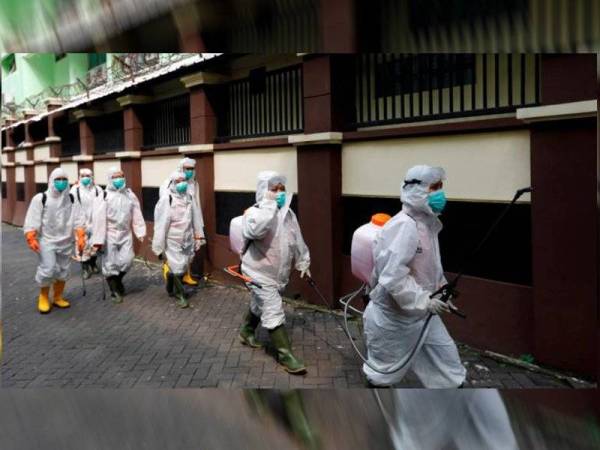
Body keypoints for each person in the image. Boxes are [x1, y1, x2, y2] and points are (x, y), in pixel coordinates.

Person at [363, 165, 466, 387]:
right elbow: (393, 277)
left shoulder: (428, 224)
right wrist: (424, 301)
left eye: (441, 187)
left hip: (422, 315)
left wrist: (442, 293)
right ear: (417, 191)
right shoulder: (404, 226)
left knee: (450, 370)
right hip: (394, 318)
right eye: (435, 188)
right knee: (382, 376)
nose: (440, 194)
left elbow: (430, 268)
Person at [238, 171, 311, 374]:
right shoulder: (254, 213)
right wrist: (269, 206)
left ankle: (246, 331)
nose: (279, 193)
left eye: (281, 189)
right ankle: (285, 355)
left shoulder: (288, 213)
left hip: (277, 275)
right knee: (273, 309)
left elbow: (296, 238)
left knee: (258, 304)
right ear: (263, 191)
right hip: (257, 272)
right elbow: (256, 231)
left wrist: (303, 260)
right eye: (274, 189)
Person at [23, 167, 86, 314]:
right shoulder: (41, 198)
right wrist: (31, 236)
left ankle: (58, 297)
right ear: (51, 180)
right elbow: (32, 218)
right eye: (58, 179)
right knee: (48, 268)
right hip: (47, 241)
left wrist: (81, 236)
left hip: (65, 240)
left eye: (64, 179)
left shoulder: (71, 198)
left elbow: (78, 218)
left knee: (63, 270)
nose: (61, 182)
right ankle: (44, 296)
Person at [91, 167, 146, 304]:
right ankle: (114, 289)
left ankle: (117, 280)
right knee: (110, 263)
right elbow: (98, 220)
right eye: (115, 177)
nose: (119, 179)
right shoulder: (103, 196)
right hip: (110, 233)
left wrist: (140, 231)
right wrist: (98, 240)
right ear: (110, 179)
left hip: (125, 233)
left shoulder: (129, 194)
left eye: (121, 176)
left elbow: (136, 213)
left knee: (128, 260)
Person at [152, 170, 204, 308]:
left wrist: (199, 236)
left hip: (187, 238)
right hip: (172, 239)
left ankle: (170, 282)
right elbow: (161, 225)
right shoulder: (167, 199)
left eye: (183, 181)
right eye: (178, 181)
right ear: (172, 183)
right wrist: (159, 246)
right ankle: (181, 294)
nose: (182, 183)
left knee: (184, 264)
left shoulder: (189, 197)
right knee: (178, 267)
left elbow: (196, 218)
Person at [159, 157, 205, 285]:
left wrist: (198, 224)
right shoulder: (170, 182)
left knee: (188, 252)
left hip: (189, 221)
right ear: (181, 168)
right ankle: (169, 269)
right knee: (174, 253)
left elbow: (197, 203)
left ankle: (186, 275)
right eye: (187, 169)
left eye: (192, 169)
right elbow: (164, 204)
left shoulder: (194, 183)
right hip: (175, 224)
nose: (190, 171)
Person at [70, 168, 103, 279]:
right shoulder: (75, 189)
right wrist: (77, 225)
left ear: (92, 176)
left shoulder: (98, 189)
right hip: (81, 223)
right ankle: (85, 268)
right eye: (83, 175)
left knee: (95, 246)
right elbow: (73, 207)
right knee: (82, 246)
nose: (85, 178)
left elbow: (102, 205)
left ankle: (93, 263)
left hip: (95, 223)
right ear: (79, 176)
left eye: (88, 176)